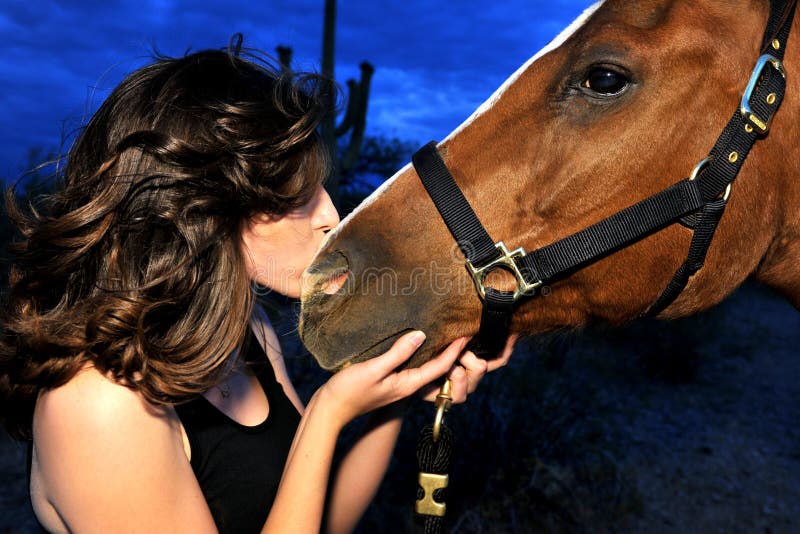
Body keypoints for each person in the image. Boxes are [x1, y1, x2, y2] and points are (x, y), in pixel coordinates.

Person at [0, 46, 515, 533]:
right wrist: (325, 413)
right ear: (199, 212)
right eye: (295, 199)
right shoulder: (96, 404)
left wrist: (397, 392)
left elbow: (323, 522)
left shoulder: (248, 331)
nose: (332, 216)